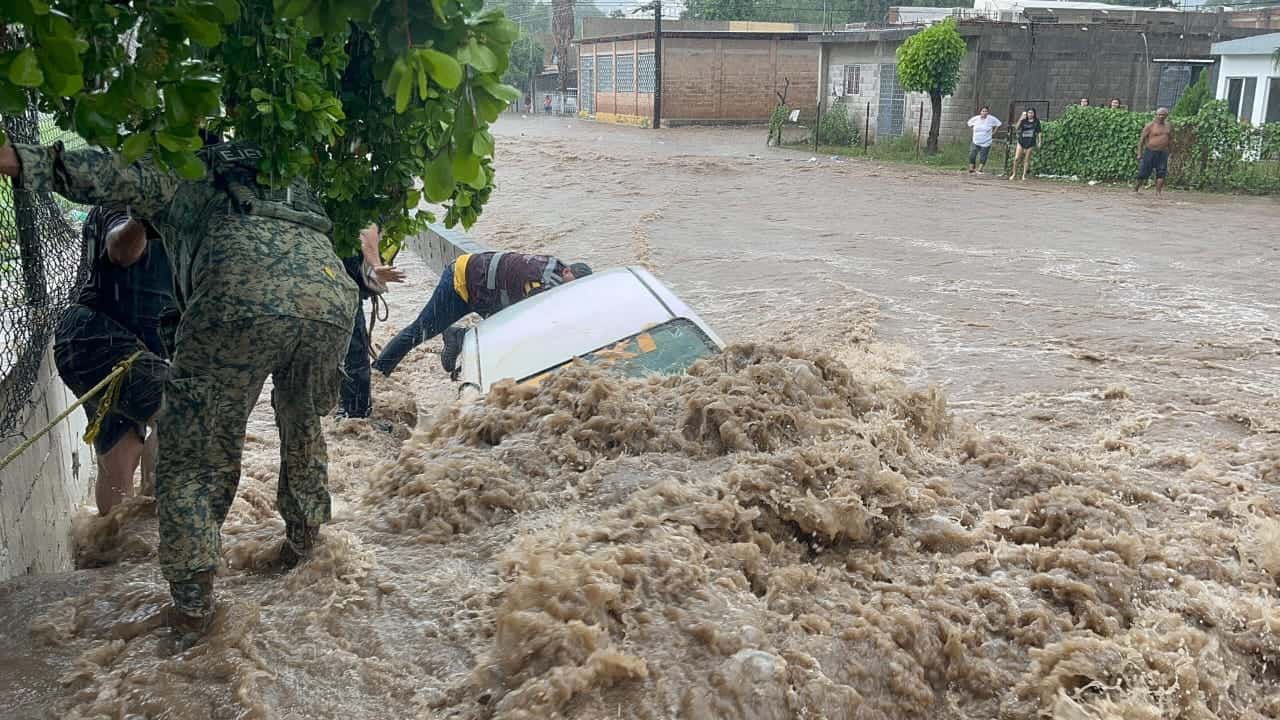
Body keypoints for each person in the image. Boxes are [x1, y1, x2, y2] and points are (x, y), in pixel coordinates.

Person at [0, 135, 358, 647]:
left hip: (239, 292)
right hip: (329, 297)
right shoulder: (283, 168)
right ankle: (304, 553)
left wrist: (19, 159)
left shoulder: (184, 167)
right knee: (302, 426)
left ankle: (192, 614)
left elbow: (105, 174)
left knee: (193, 455)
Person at [53, 207, 177, 515]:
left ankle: (113, 551)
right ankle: (156, 539)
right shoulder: (126, 200)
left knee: (119, 458)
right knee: (180, 414)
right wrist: (145, 218)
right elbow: (120, 250)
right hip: (102, 339)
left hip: (90, 344)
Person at [372, 251, 593, 377]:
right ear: (566, 271)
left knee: (507, 335)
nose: (568, 293)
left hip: (486, 291)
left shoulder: (554, 270)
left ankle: (460, 338)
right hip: (462, 281)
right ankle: (377, 374)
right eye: (570, 285)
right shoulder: (545, 281)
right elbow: (535, 321)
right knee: (418, 332)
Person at [338, 224, 404, 420]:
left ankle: (337, 406)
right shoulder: (373, 202)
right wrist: (376, 267)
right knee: (355, 355)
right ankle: (356, 417)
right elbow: (368, 231)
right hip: (343, 285)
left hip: (314, 281)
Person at [1135, 107, 1172, 194]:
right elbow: (1141, 140)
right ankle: (1136, 189)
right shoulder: (1150, 126)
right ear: (1156, 115)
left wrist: (1170, 151)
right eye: (1159, 115)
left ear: (1167, 116)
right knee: (1144, 172)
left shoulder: (1168, 126)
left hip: (1163, 152)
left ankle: (1158, 192)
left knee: (1161, 172)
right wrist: (1139, 153)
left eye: (1163, 115)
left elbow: (1170, 139)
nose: (1161, 116)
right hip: (1150, 152)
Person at [1009, 108, 1043, 181]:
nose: (1030, 114)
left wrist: (1039, 142)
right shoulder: (1023, 120)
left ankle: (1024, 175)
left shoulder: (1036, 122)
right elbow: (1017, 128)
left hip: (1030, 142)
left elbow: (1039, 132)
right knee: (1016, 158)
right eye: (1029, 113)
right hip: (1021, 141)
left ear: (1034, 114)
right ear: (1026, 113)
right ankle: (1014, 174)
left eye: (1032, 113)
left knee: (1026, 159)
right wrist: (1021, 118)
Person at [966, 106, 1002, 174]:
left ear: (988, 112)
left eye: (986, 111)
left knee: (983, 156)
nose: (984, 113)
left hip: (986, 141)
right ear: (980, 112)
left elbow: (999, 124)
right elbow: (969, 124)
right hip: (976, 140)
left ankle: (980, 169)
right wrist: (973, 130)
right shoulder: (976, 118)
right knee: (972, 154)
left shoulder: (991, 119)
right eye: (983, 111)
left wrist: (994, 132)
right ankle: (971, 168)